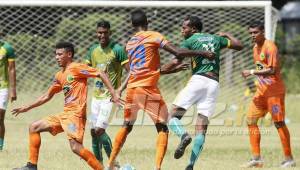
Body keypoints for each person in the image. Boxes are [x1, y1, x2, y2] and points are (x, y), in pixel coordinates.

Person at [107, 10, 215, 170]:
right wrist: (202, 52)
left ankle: (109, 165)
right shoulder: (153, 36)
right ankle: (157, 167)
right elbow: (177, 52)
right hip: (148, 89)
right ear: (147, 22)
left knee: (126, 126)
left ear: (132, 25)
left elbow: (141, 69)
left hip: (132, 89)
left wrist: (120, 90)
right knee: (163, 127)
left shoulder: (129, 43)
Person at [12, 42, 122, 170]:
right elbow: (47, 95)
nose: (56, 57)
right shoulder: (59, 75)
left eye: (60, 54)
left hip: (75, 115)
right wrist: (27, 107)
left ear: (69, 54)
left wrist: (114, 93)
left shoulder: (77, 67)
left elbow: (100, 73)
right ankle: (31, 166)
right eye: (56, 54)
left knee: (75, 147)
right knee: (34, 127)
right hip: (65, 114)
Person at [168, 16, 243, 170]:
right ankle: (190, 165)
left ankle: (183, 136)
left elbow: (179, 55)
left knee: (172, 117)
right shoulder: (215, 39)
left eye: (184, 27)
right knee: (201, 128)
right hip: (214, 84)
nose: (182, 30)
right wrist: (227, 34)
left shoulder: (190, 40)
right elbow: (239, 45)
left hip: (198, 80)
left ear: (194, 29)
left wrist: (162, 70)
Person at [241, 21, 295, 168]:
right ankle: (257, 158)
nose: (253, 35)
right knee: (250, 120)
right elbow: (262, 69)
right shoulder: (255, 48)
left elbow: (271, 70)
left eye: (255, 32)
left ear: (263, 32)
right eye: (251, 32)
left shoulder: (270, 47)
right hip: (261, 93)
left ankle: (289, 159)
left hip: (274, 93)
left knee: (279, 123)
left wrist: (251, 72)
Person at [84, 20, 129, 165]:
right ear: (96, 33)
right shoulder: (92, 50)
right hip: (96, 97)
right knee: (93, 132)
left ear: (110, 32)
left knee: (99, 130)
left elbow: (132, 71)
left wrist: (119, 90)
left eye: (105, 32)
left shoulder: (118, 49)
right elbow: (85, 70)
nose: (102, 35)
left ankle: (114, 164)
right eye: (99, 32)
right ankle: (99, 165)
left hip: (110, 98)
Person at [0, 39, 17, 151]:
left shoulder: (7, 48)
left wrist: (13, 89)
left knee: (0, 117)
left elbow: (11, 69)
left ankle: (0, 145)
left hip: (3, 87)